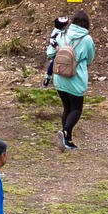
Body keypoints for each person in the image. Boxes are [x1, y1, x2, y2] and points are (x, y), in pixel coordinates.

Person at [44, 14, 95, 151]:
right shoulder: (87, 39)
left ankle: (68, 141)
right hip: (75, 78)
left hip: (59, 76)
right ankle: (65, 132)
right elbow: (90, 58)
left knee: (67, 108)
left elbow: (50, 53)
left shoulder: (62, 34)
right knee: (76, 109)